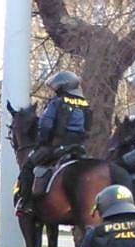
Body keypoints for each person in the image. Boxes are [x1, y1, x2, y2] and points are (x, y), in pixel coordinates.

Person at [16, 70, 91, 215]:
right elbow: (87, 128)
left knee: (28, 166)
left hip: (57, 146)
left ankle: (25, 203)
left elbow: (46, 125)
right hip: (79, 147)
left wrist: (42, 143)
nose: (55, 89)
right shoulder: (84, 104)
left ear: (64, 87)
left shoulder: (57, 102)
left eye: (57, 87)